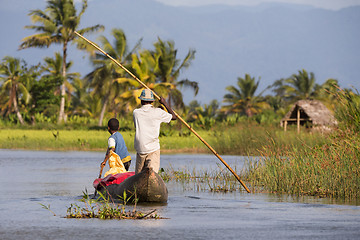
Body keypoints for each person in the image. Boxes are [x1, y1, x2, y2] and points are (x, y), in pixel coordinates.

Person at [133, 89, 177, 174]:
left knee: (138, 176)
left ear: (141, 100)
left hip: (140, 149)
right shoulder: (158, 112)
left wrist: (159, 110)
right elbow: (174, 117)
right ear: (152, 101)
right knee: (152, 174)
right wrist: (164, 103)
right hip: (153, 148)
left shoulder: (136, 112)